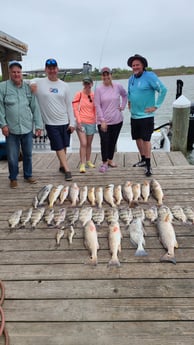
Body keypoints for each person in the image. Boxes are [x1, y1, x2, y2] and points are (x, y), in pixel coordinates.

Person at [30, 58, 76, 181]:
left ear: (57, 69)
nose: (52, 70)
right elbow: (29, 81)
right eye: (49, 68)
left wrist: (72, 122)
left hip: (65, 121)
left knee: (64, 145)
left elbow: (69, 106)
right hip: (50, 122)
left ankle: (62, 165)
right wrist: (32, 83)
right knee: (58, 146)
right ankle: (67, 170)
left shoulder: (64, 86)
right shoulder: (40, 82)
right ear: (45, 70)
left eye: (54, 68)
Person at [0, 60, 43, 189]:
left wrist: (39, 126)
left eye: (18, 72)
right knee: (12, 157)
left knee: (28, 154)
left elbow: (35, 107)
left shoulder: (28, 87)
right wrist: (3, 125)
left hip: (26, 128)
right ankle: (13, 178)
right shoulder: (2, 87)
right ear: (9, 73)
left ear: (21, 73)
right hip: (11, 130)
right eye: (13, 72)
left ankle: (28, 175)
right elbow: (0, 108)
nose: (16, 74)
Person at [127, 54, 167, 177]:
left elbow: (163, 89)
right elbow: (130, 92)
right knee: (137, 138)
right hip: (134, 116)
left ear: (143, 65)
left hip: (146, 116)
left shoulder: (150, 76)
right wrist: (129, 103)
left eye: (137, 65)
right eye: (133, 65)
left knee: (146, 139)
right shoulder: (131, 78)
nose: (135, 67)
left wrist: (156, 106)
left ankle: (149, 166)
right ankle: (143, 159)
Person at [94, 67, 127, 173]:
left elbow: (125, 95)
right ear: (102, 76)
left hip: (117, 120)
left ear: (111, 75)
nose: (106, 77)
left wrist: (123, 106)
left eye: (107, 74)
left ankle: (110, 160)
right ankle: (104, 162)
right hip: (103, 122)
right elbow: (97, 105)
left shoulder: (118, 86)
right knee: (105, 142)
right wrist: (102, 120)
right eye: (104, 75)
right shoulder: (99, 89)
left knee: (113, 141)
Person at [72, 76, 96, 173]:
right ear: (83, 84)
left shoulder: (94, 95)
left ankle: (88, 161)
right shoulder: (79, 94)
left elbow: (95, 109)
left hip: (91, 122)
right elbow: (75, 108)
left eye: (88, 83)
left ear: (91, 84)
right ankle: (82, 164)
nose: (87, 85)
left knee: (89, 144)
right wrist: (78, 121)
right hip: (81, 122)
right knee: (83, 143)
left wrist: (96, 119)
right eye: (85, 83)